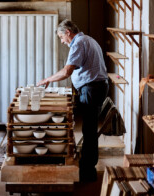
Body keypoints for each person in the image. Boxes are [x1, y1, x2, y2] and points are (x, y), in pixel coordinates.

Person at [37, 19, 108, 182]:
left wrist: (47, 79)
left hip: (92, 88)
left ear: (68, 32)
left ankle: (87, 172)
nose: (62, 41)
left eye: (61, 37)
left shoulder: (79, 42)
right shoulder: (88, 39)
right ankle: (87, 166)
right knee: (89, 129)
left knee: (89, 131)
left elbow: (67, 71)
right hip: (96, 87)